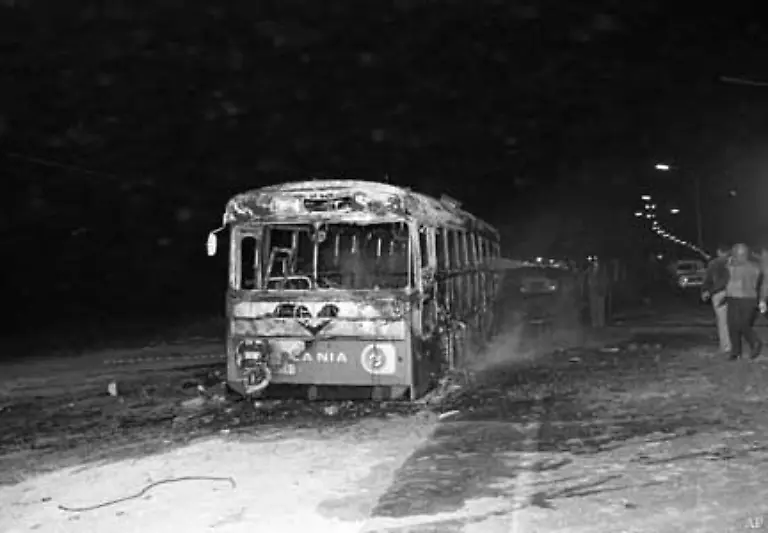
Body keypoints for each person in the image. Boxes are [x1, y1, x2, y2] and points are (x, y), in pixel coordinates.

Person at [723, 243, 767, 360]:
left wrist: (762, 300)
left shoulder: (752, 268)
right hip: (733, 298)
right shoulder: (731, 265)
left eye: (740, 254)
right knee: (732, 325)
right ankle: (735, 352)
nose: (737, 256)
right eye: (736, 254)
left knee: (743, 324)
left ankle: (755, 342)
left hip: (747, 299)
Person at [701, 245, 731, 354]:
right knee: (730, 320)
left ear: (718, 251)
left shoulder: (713, 263)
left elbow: (708, 279)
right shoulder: (732, 263)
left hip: (718, 294)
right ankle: (731, 344)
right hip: (733, 293)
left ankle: (726, 346)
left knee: (722, 321)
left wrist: (706, 291)